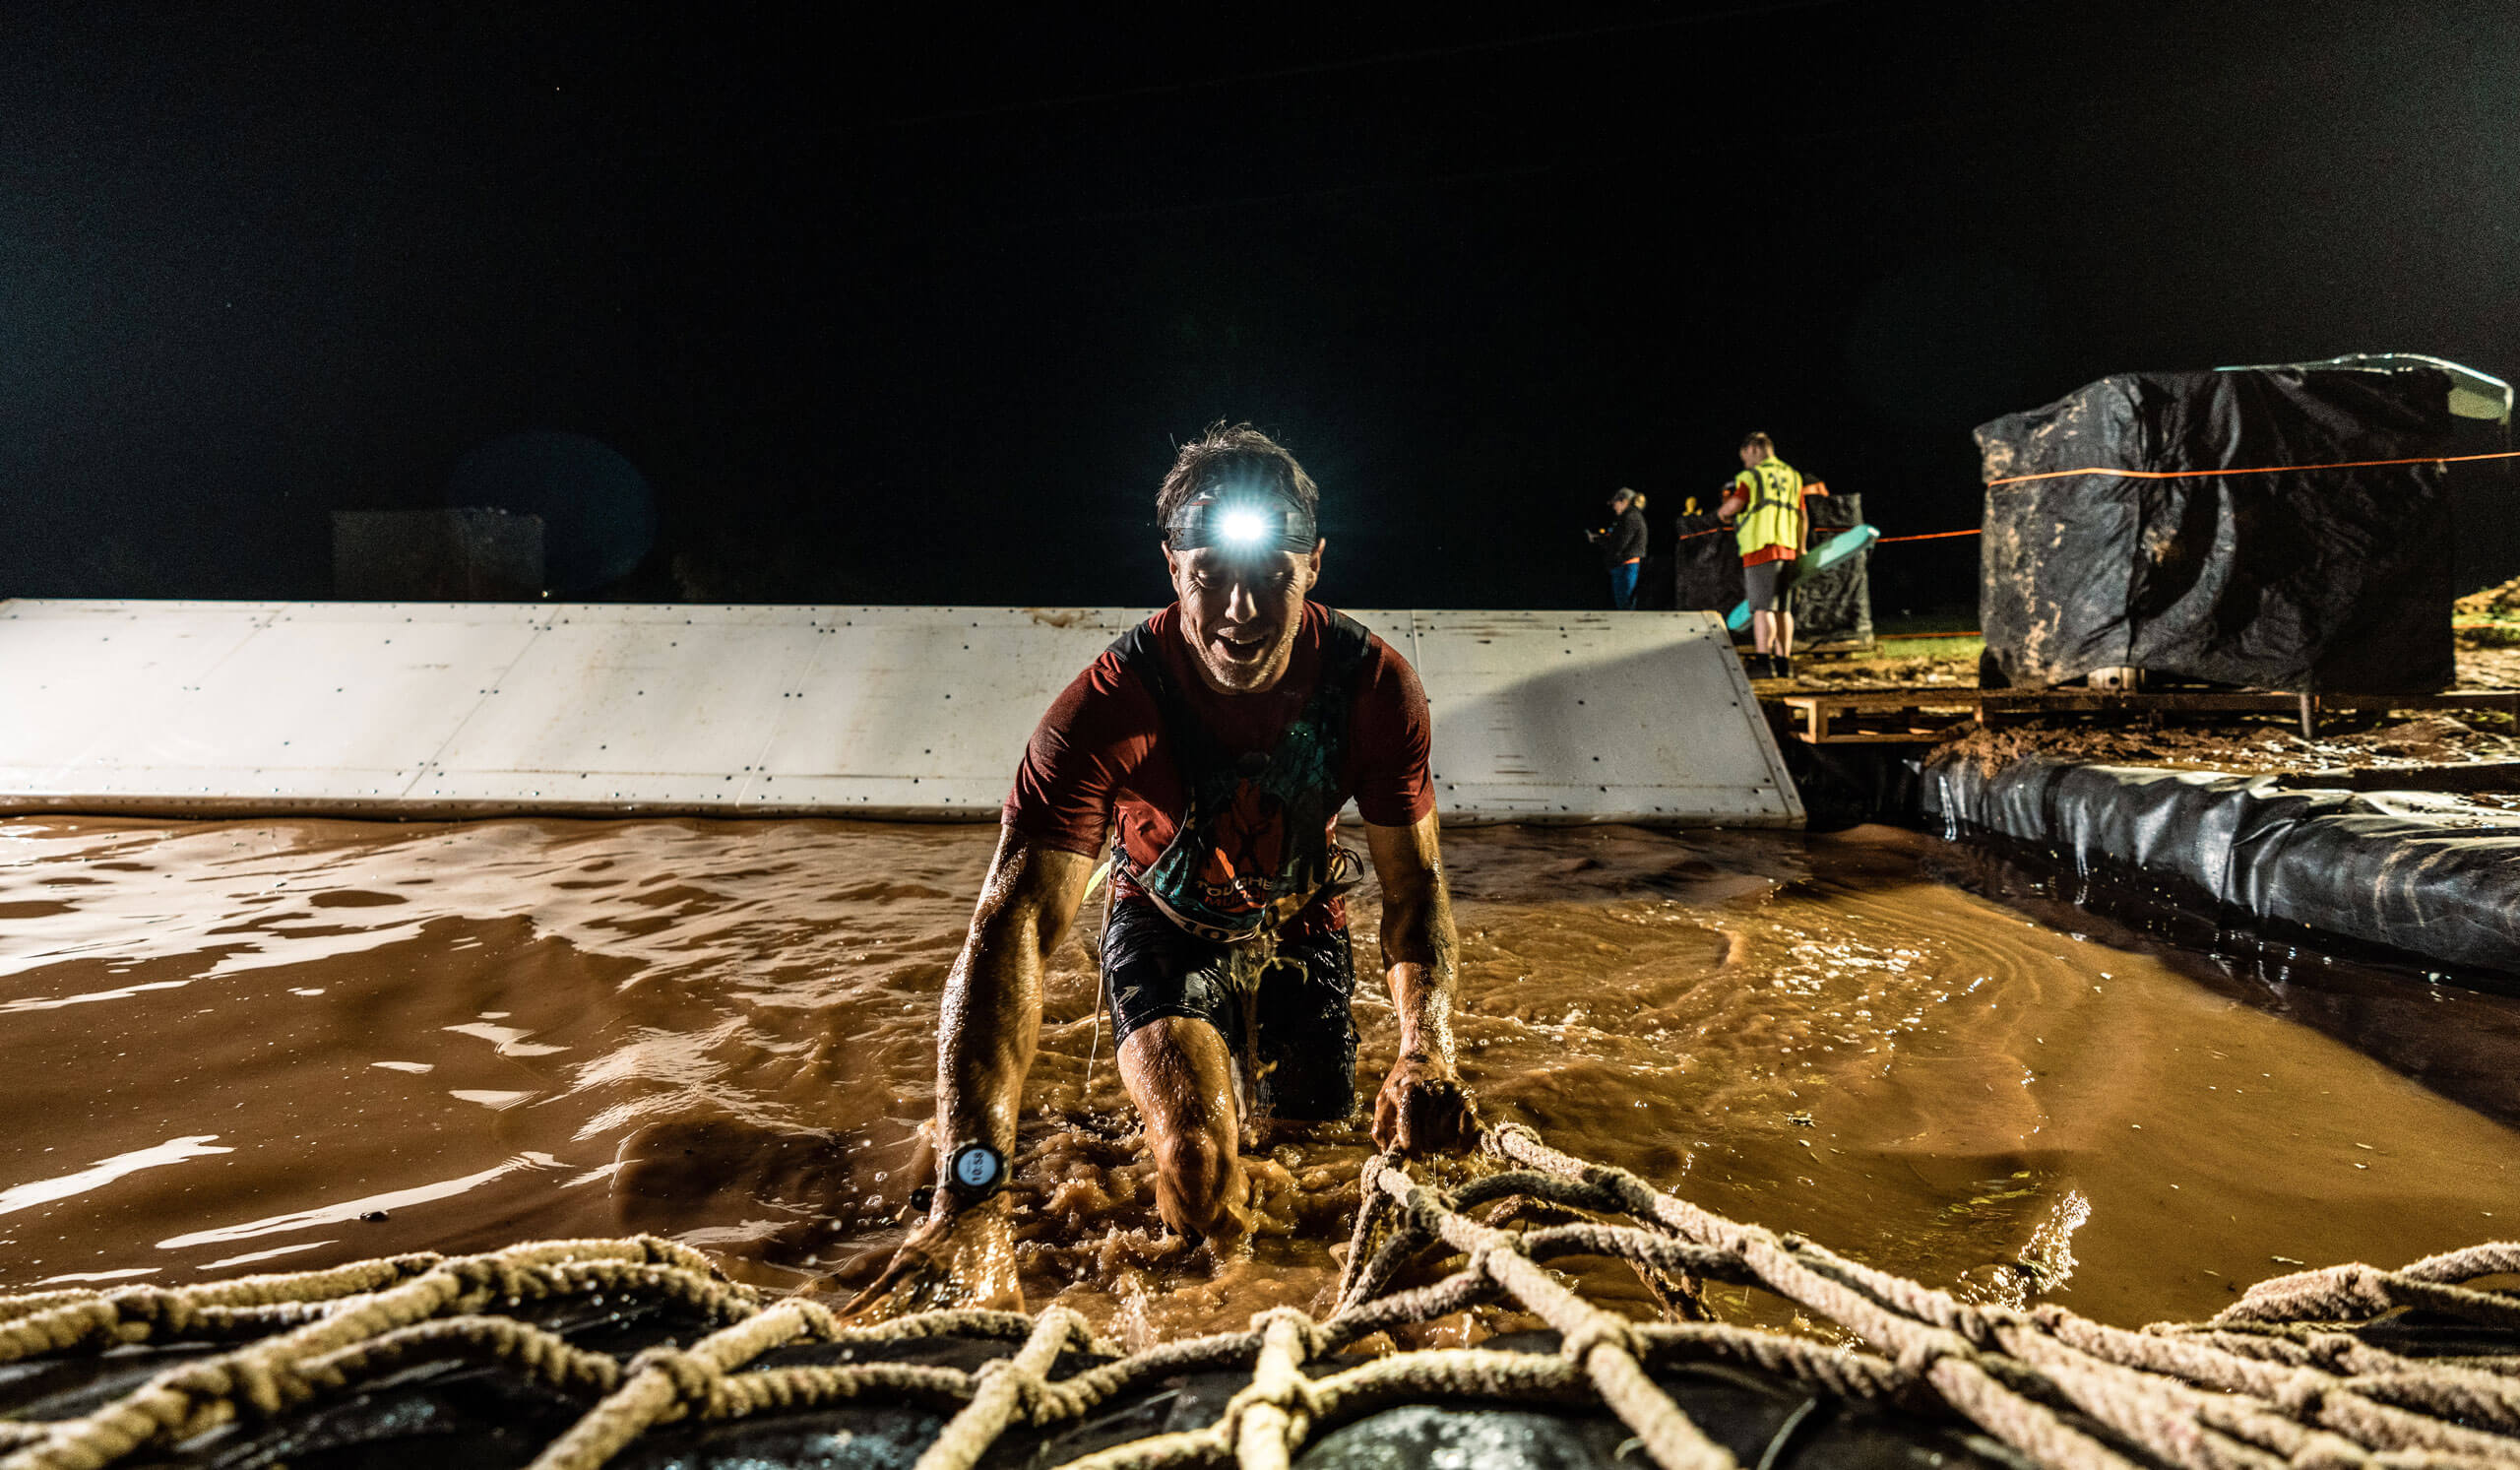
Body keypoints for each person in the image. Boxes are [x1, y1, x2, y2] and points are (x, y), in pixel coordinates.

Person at [847, 423, 1480, 1314]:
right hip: (1164, 933)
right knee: (1195, 1162)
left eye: (1271, 574)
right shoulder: (1107, 707)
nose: (1241, 611)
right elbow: (1013, 929)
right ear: (1172, 567)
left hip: (1306, 930)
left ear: (1315, 565)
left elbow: (1415, 888)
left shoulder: (1374, 687)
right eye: (1211, 574)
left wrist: (1427, 1051)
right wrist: (970, 1189)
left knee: (1327, 1164)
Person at [1718, 432, 1806, 678]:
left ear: (1754, 449)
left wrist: (1722, 512)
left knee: (1761, 609)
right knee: (1783, 610)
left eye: (1745, 456)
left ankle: (1762, 663)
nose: (1745, 463)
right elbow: (1802, 515)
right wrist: (1800, 547)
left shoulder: (1752, 476)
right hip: (1788, 548)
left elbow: (1735, 505)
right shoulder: (1793, 475)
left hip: (1761, 546)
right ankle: (1783, 664)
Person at [1586, 487, 1650, 609]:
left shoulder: (1630, 517)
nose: (1614, 507)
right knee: (1624, 605)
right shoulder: (1628, 517)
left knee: (1625, 605)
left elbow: (1619, 544)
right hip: (1624, 565)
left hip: (1626, 566)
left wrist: (1601, 542)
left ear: (1624, 502)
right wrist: (1599, 539)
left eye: (1615, 503)